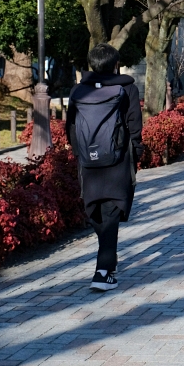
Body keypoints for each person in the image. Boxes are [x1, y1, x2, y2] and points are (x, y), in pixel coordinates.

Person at [66, 43, 143, 292]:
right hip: (117, 160)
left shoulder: (78, 91)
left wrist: (79, 154)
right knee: (111, 211)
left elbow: (71, 126)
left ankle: (107, 260)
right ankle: (103, 271)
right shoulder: (128, 89)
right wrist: (136, 153)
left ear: (92, 64)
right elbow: (134, 125)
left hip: (88, 162)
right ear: (116, 64)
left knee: (96, 211)